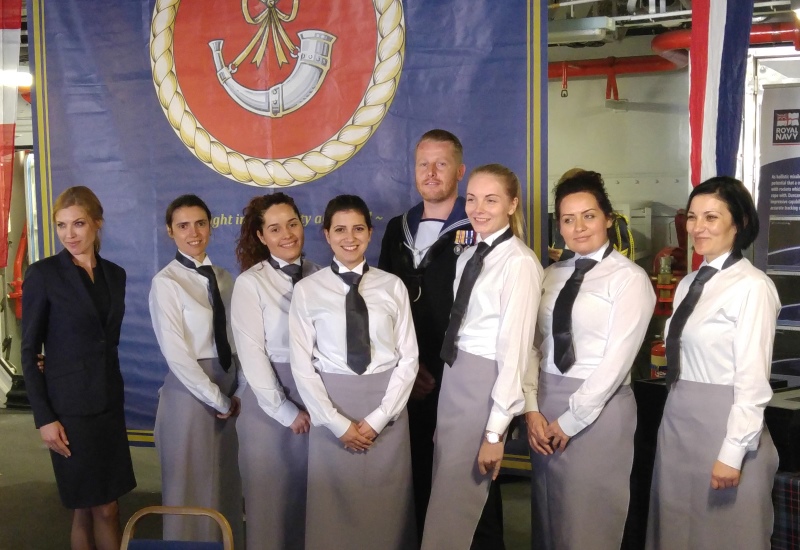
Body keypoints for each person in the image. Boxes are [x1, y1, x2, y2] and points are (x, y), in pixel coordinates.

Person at [646, 176, 780, 550]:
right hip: (679, 423)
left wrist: (732, 452)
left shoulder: (752, 287)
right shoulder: (690, 282)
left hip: (725, 427)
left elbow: (753, 381)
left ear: (738, 224)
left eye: (711, 217)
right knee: (675, 531)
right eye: (692, 217)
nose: (698, 228)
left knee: (724, 535)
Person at [523, 171, 655, 549]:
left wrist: (569, 420)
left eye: (589, 215)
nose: (579, 228)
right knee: (549, 516)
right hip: (545, 406)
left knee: (589, 520)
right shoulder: (549, 275)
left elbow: (617, 361)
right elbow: (532, 346)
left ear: (608, 218)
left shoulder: (628, 279)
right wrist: (531, 408)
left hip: (599, 409)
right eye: (568, 219)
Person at [421, 164, 543, 550]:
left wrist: (495, 433)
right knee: (453, 492)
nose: (478, 208)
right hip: (456, 379)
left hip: (485, 385)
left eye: (491, 199)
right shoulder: (468, 255)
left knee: (464, 496)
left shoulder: (519, 263)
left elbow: (515, 352)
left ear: (512, 204)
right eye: (471, 199)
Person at [379, 128, 491, 542]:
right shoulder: (396, 229)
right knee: (415, 472)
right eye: (423, 164)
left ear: (460, 171)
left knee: (466, 479)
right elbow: (383, 307)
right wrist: (408, 368)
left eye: (441, 164)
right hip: (408, 376)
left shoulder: (479, 228)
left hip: (463, 375)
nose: (430, 172)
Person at [289, 194, 418, 550]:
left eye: (358, 228)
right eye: (340, 229)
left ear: (370, 232)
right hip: (333, 409)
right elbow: (302, 366)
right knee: (333, 511)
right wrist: (336, 423)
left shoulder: (392, 286)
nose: (350, 237)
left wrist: (379, 418)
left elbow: (408, 359)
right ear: (327, 235)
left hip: (387, 409)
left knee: (386, 508)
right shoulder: (307, 290)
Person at [21, 186, 136, 550]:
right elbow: (28, 351)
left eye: (79, 223)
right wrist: (45, 418)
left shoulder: (115, 275)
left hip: (108, 407)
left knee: (88, 508)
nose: (69, 234)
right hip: (69, 412)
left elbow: (106, 342)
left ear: (97, 224)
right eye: (61, 225)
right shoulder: (43, 275)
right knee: (102, 507)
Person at [148, 194, 244, 546]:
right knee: (189, 492)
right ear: (170, 231)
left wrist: (239, 393)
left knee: (225, 489)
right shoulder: (167, 283)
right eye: (183, 225)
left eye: (200, 223)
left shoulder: (226, 279)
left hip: (231, 396)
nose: (193, 232)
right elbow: (177, 355)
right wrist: (219, 400)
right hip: (192, 398)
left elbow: (239, 342)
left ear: (211, 226)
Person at [230, 193, 319, 550]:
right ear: (261, 237)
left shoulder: (321, 275)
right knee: (272, 507)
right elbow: (252, 355)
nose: (287, 234)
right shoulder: (251, 283)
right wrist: (285, 411)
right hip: (271, 408)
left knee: (311, 504)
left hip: (316, 404)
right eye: (275, 228)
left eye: (292, 223)